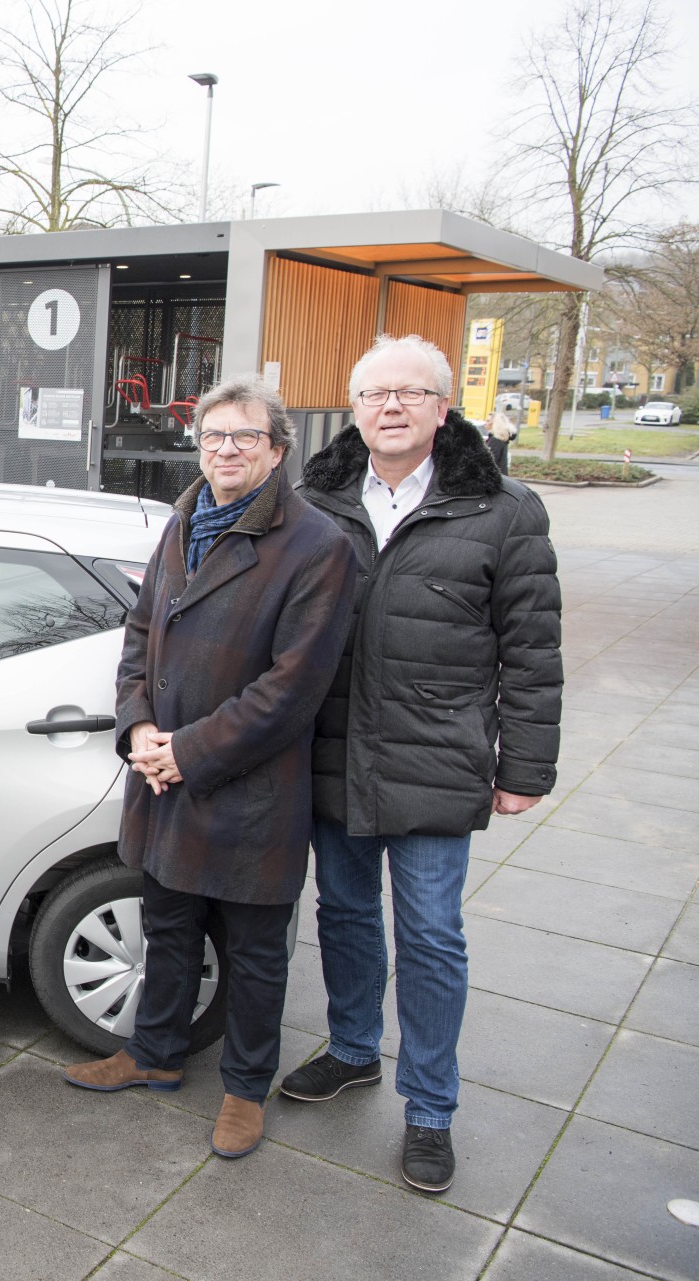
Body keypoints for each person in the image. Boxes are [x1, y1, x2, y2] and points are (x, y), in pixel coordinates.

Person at [282, 334, 562, 1195]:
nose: (391, 406)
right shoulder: (314, 501)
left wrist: (526, 766)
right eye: (374, 393)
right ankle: (356, 1048)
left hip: (436, 760)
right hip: (334, 752)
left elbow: (533, 648)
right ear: (355, 408)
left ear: (445, 407)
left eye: (411, 392)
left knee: (434, 936)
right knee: (344, 914)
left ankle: (431, 1108)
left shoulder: (504, 509)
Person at [62, 378, 357, 1161]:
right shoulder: (182, 520)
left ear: (277, 450)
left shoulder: (316, 545)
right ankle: (154, 1053)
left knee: (257, 953)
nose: (226, 449)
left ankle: (244, 1090)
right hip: (163, 776)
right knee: (167, 927)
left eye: (244, 437)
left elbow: (291, 690)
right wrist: (140, 728)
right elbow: (139, 632)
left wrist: (185, 750)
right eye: (213, 436)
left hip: (249, 789)